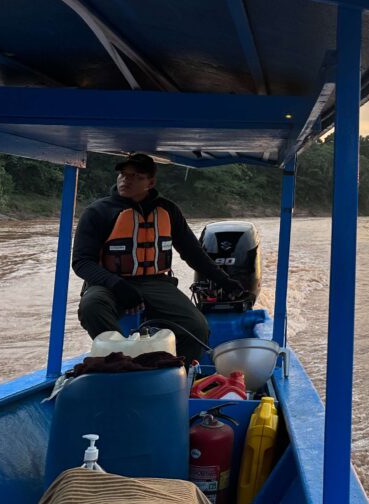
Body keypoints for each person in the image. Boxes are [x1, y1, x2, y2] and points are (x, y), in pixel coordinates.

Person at [72, 152, 244, 362]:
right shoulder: (97, 212)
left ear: (150, 182)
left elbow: (193, 253)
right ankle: (120, 362)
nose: (126, 180)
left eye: (136, 176)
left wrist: (225, 282)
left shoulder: (168, 211)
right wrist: (116, 284)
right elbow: (82, 262)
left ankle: (174, 372)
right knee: (91, 307)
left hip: (156, 283)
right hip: (109, 284)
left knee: (197, 327)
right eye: (124, 174)